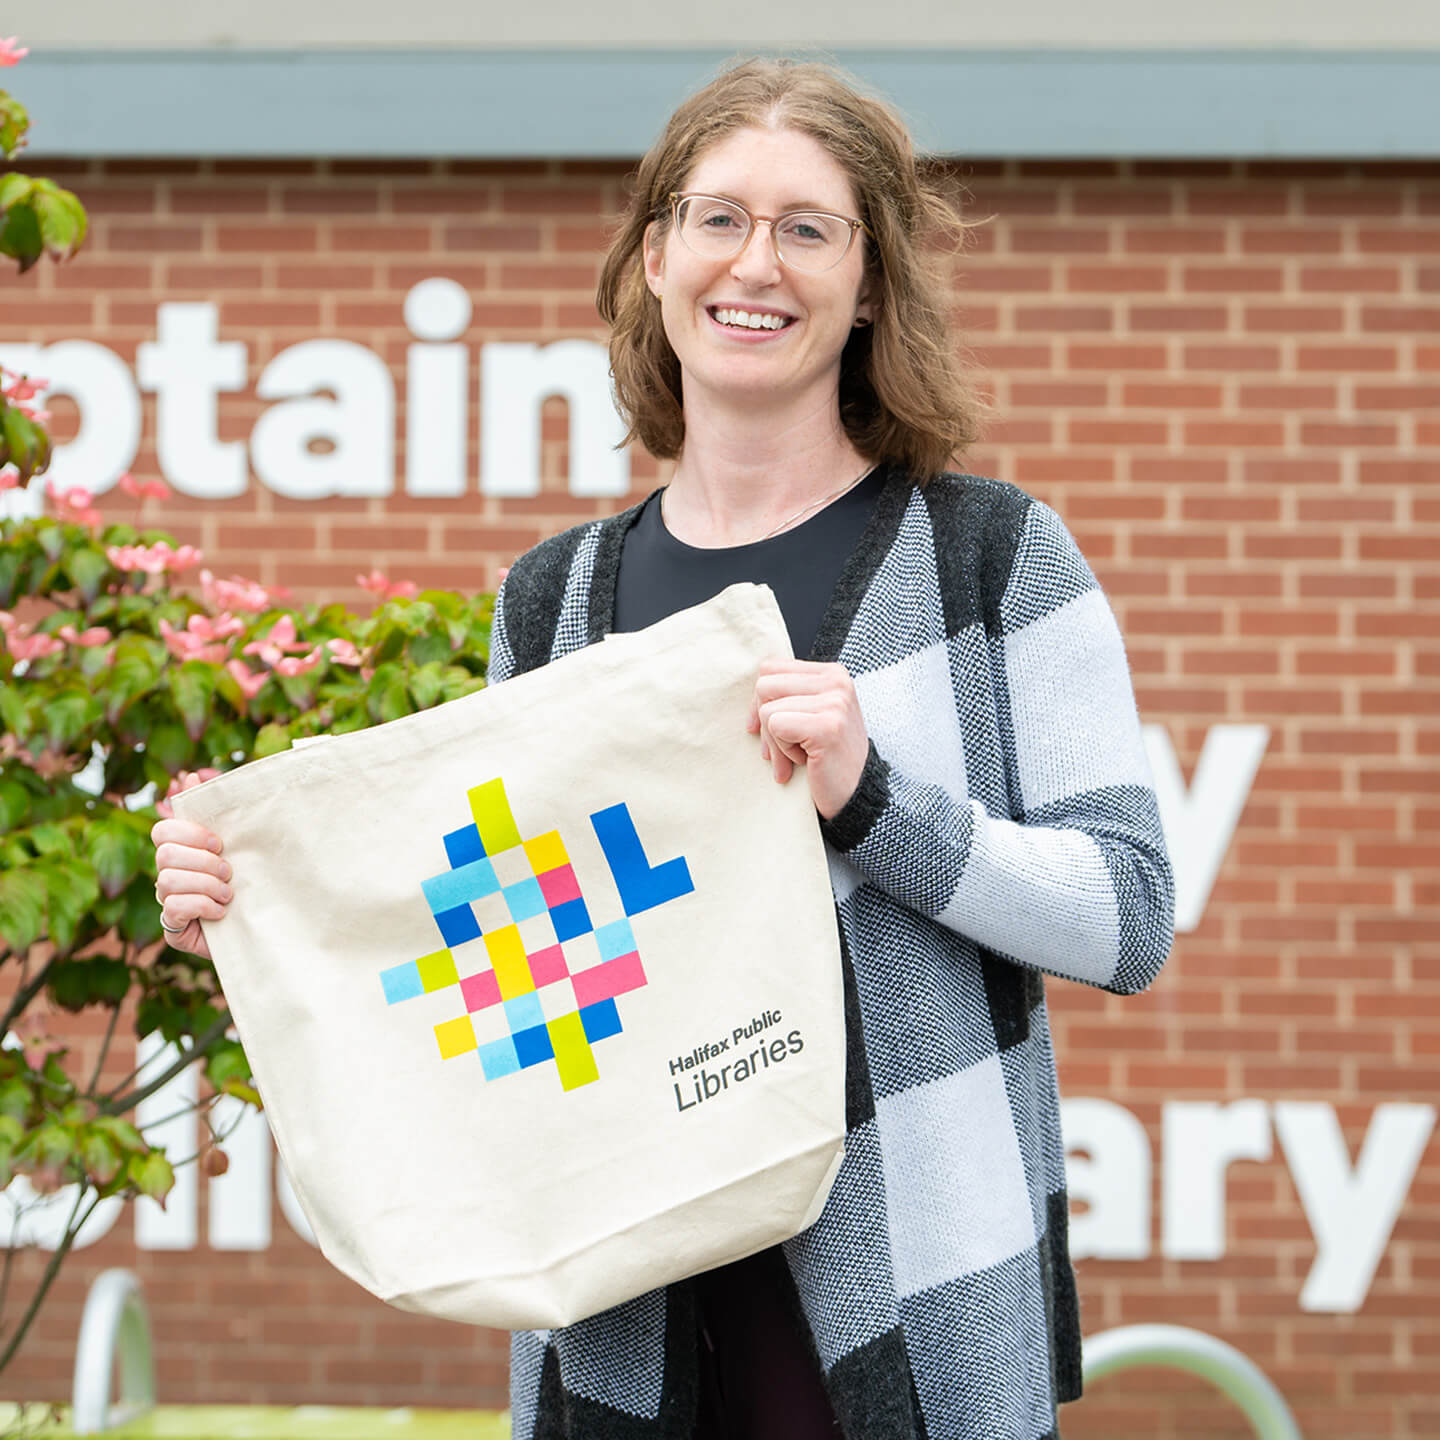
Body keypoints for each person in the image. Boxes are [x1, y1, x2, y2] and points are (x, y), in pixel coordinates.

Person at [153, 57, 1174, 1440]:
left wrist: (875, 799)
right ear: (655, 256)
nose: (757, 264)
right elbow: (489, 946)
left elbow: (1128, 916)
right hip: (627, 1321)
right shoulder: (556, 600)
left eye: (810, 227)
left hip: (916, 1319)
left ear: (870, 282)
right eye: (718, 218)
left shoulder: (992, 558)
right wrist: (261, 898)